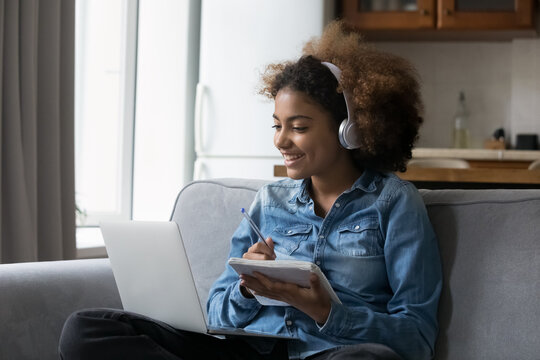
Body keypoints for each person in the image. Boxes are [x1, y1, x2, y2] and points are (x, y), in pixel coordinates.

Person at [58, 21, 442, 360]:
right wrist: (244, 290)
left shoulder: (393, 203)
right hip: (250, 350)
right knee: (86, 330)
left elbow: (418, 338)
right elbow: (216, 314)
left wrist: (327, 311)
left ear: (350, 129)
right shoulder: (269, 202)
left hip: (334, 352)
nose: (282, 141)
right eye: (277, 125)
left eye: (299, 126)